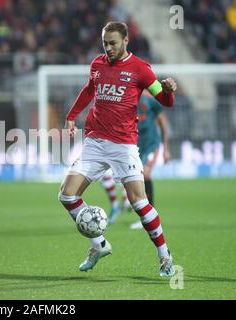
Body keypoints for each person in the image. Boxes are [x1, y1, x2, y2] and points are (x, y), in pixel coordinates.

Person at [58, 22, 177, 276]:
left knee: (139, 202)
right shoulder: (98, 65)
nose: (108, 48)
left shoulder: (141, 69)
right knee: (67, 195)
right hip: (95, 141)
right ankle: (98, 244)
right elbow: (89, 90)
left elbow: (164, 101)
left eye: (113, 43)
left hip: (124, 145)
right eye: (105, 44)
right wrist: (71, 116)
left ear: (125, 41)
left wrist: (168, 91)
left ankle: (164, 255)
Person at [104, 91, 172, 227]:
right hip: (134, 146)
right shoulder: (124, 97)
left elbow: (163, 123)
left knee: (145, 174)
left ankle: (149, 217)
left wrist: (165, 148)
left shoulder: (149, 99)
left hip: (151, 144)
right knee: (134, 176)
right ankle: (141, 211)